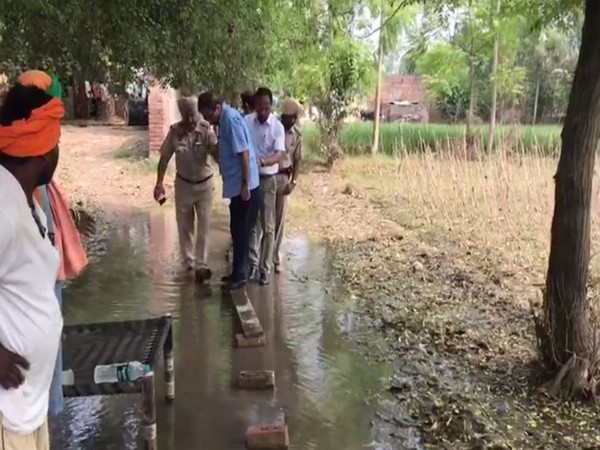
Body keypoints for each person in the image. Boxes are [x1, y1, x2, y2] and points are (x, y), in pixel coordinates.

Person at [0, 69, 65, 450]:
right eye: (58, 140)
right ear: (43, 150)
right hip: (8, 416)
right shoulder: (3, 207)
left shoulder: (25, 198)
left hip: (29, 409)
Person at [197, 91, 260, 290]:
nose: (207, 119)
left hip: (244, 187)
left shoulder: (231, 120)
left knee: (240, 230)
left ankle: (240, 276)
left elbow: (244, 153)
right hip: (236, 186)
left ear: (217, 108)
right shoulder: (223, 120)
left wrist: (244, 184)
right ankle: (236, 273)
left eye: (208, 115)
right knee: (236, 228)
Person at [154, 97, 219, 282]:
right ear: (182, 115)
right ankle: (189, 262)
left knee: (204, 226)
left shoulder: (206, 130)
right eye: (187, 116)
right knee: (184, 226)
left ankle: (201, 265)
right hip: (183, 185)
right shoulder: (175, 132)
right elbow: (164, 158)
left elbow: (217, 153)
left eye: (193, 115)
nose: (191, 120)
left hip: (205, 185)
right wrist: (159, 183)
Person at [245, 87, 285, 286]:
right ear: (254, 106)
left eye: (266, 109)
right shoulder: (246, 123)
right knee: (251, 224)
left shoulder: (277, 127)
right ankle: (252, 263)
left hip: (268, 180)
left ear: (271, 107)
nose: (262, 113)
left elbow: (279, 155)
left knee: (268, 226)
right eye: (259, 108)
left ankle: (265, 268)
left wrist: (262, 162)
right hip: (250, 179)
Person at [274, 98, 303, 274]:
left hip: (284, 178)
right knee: (264, 222)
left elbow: (298, 160)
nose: (293, 120)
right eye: (291, 117)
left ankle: (276, 258)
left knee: (279, 221)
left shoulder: (297, 134)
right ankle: (260, 259)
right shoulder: (272, 128)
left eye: (295, 117)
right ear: (284, 115)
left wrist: (294, 181)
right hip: (268, 177)